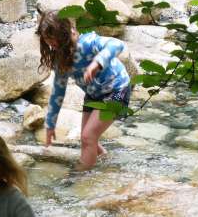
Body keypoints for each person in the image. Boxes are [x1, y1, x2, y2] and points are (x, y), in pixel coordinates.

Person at [37, 10, 131, 171]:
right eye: (49, 43)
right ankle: (108, 166)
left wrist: (97, 63)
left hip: (117, 89)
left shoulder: (88, 43)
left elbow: (117, 44)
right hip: (94, 94)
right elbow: (58, 92)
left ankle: (79, 179)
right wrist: (50, 124)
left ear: (69, 32)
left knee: (88, 136)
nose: (53, 47)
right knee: (86, 138)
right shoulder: (61, 59)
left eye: (55, 41)